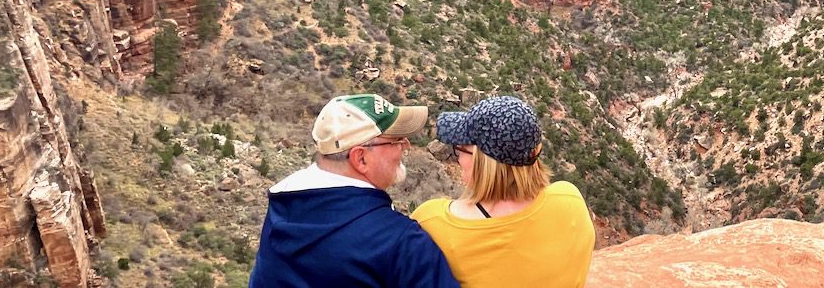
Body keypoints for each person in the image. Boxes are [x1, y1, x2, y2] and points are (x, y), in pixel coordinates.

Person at [250, 93, 459, 288]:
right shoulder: (403, 244)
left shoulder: (281, 212)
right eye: (397, 140)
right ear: (361, 158)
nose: (406, 146)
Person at [412, 96, 595, 287]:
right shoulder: (570, 201)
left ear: (483, 162)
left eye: (460, 150)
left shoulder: (434, 224)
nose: (458, 159)